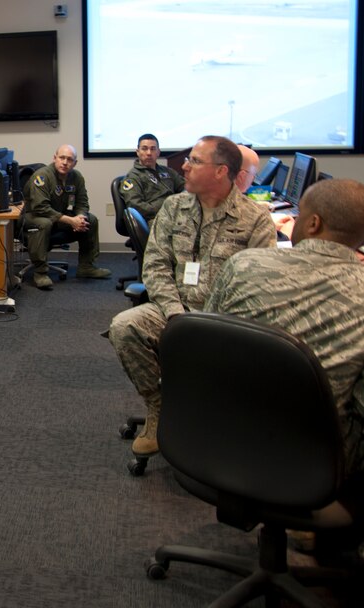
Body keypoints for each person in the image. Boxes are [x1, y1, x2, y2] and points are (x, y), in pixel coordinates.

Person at [206, 178, 364, 582]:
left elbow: (209, 343)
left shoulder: (243, 267)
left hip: (216, 443)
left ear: (311, 224)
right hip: (320, 465)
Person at [108, 135, 276, 456]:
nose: (184, 166)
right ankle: (160, 408)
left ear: (220, 171)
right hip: (174, 312)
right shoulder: (174, 207)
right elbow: (155, 267)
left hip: (226, 321)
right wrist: (174, 312)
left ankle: (218, 414)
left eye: (195, 161)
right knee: (124, 327)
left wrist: (211, 321)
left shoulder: (255, 219)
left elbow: (259, 284)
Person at [21, 144, 111, 290]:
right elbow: (41, 208)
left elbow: (82, 203)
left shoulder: (76, 177)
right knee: (44, 223)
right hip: (33, 217)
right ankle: (40, 272)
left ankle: (86, 267)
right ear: (54, 158)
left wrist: (80, 217)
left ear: (75, 163)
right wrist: (70, 220)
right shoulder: (42, 176)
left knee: (91, 220)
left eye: (70, 159)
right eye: (62, 158)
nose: (65, 162)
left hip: (57, 217)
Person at [118, 134, 185, 223]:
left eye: (153, 149)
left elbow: (186, 188)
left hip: (176, 215)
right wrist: (167, 208)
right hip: (154, 220)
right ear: (138, 152)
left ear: (158, 152)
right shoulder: (132, 178)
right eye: (144, 149)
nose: (149, 153)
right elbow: (136, 207)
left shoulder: (168, 172)